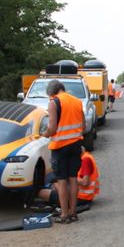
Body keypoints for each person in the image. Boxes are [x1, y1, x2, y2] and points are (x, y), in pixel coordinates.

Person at [41, 80, 85, 224]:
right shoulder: (77, 101)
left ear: (52, 92)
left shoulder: (54, 102)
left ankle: (64, 214)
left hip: (60, 147)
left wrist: (44, 134)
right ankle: (73, 212)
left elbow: (52, 128)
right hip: (76, 145)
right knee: (73, 179)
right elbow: (83, 125)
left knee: (61, 181)